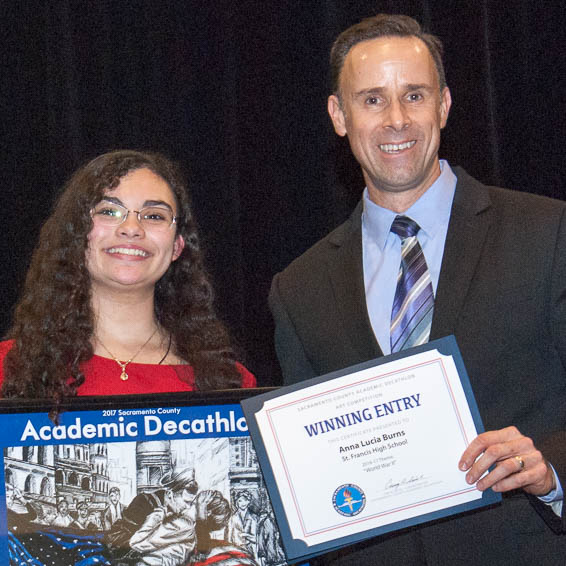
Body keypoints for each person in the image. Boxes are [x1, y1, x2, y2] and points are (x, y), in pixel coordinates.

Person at [269, 13, 566, 564]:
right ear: (339, 115)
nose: (397, 120)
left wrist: (550, 469)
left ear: (444, 105)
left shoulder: (548, 234)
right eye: (372, 100)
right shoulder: (299, 287)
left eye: (414, 95)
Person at [0, 150, 255, 399]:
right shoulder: (10, 368)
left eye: (154, 216)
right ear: (76, 235)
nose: (132, 229)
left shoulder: (231, 384)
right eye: (109, 212)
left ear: (177, 246)